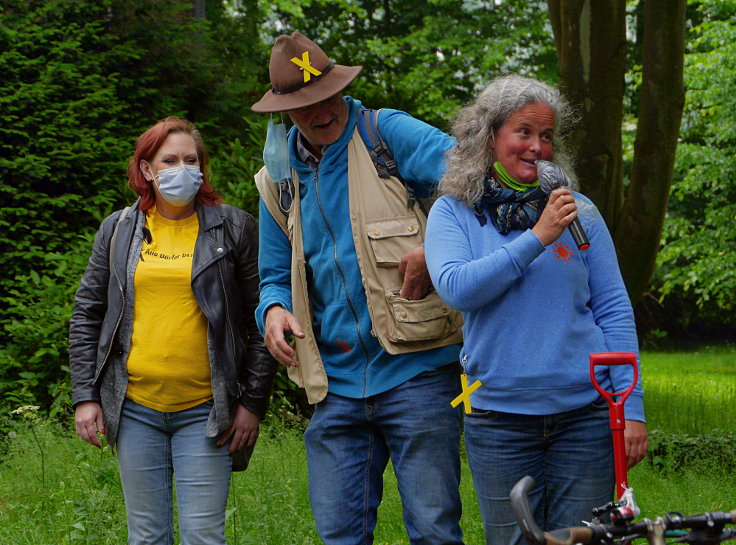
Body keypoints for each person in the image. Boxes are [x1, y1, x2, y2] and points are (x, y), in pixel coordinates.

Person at [251, 32, 465, 545]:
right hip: (334, 387)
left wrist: (439, 252)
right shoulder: (275, 181)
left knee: (434, 531)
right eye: (304, 105)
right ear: (283, 110)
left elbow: (477, 179)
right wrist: (273, 311)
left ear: (341, 88)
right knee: (339, 535)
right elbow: (273, 277)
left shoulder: (385, 133)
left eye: (327, 97)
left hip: (420, 371)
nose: (320, 112)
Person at [424, 75, 648, 545]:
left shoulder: (578, 211)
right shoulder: (453, 212)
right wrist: (538, 237)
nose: (537, 147)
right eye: (523, 132)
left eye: (546, 136)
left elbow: (613, 309)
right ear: (490, 137)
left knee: (585, 540)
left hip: (586, 416)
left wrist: (632, 408)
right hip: (499, 420)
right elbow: (457, 289)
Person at [69, 117, 277, 545]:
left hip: (206, 411)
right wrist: (86, 396)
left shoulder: (232, 227)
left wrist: (252, 403)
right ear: (146, 168)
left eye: (191, 159)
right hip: (135, 408)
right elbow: (88, 313)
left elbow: (261, 318)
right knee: (146, 536)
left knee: (204, 536)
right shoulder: (118, 229)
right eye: (169, 160)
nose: (182, 168)